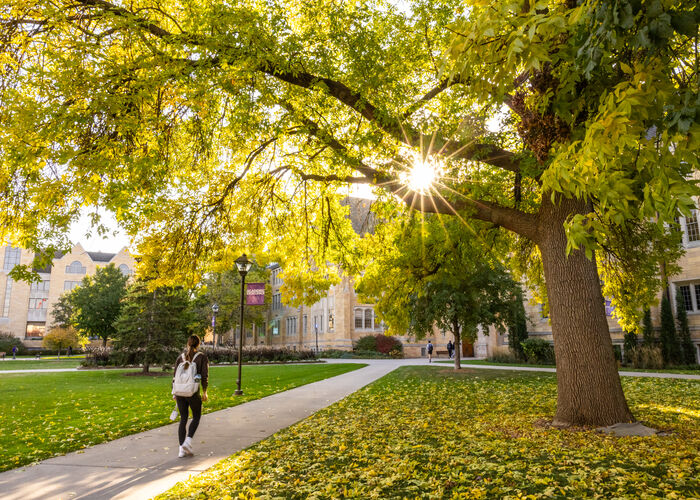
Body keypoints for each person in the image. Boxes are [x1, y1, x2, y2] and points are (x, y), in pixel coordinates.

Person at [172, 335, 209, 458]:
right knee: (197, 416)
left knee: (183, 418)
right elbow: (204, 376)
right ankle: (187, 441)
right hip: (192, 392)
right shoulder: (201, 357)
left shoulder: (180, 358)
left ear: (188, 344)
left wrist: (174, 393)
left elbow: (174, 377)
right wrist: (204, 391)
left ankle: (181, 449)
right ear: (198, 344)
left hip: (179, 392)